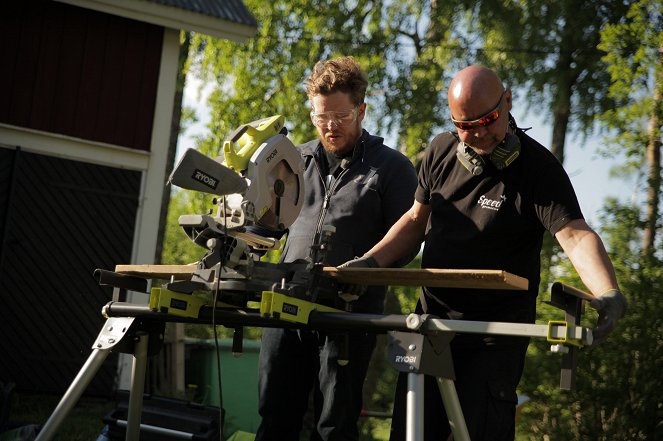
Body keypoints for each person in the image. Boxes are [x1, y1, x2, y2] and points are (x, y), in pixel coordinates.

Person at [341, 65, 627, 440]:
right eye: (464, 125)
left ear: (507, 102)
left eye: (487, 120)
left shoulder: (538, 170)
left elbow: (573, 235)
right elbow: (415, 222)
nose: (476, 133)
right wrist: (369, 264)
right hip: (430, 327)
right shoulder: (440, 151)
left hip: (494, 337)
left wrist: (608, 292)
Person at [254, 56, 418, 441]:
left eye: (341, 117)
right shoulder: (291, 161)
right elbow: (264, 225)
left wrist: (364, 268)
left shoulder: (391, 168)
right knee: (275, 416)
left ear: (361, 110)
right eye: (321, 116)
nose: (330, 126)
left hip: (350, 313)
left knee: (334, 426)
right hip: (285, 305)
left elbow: (409, 240)